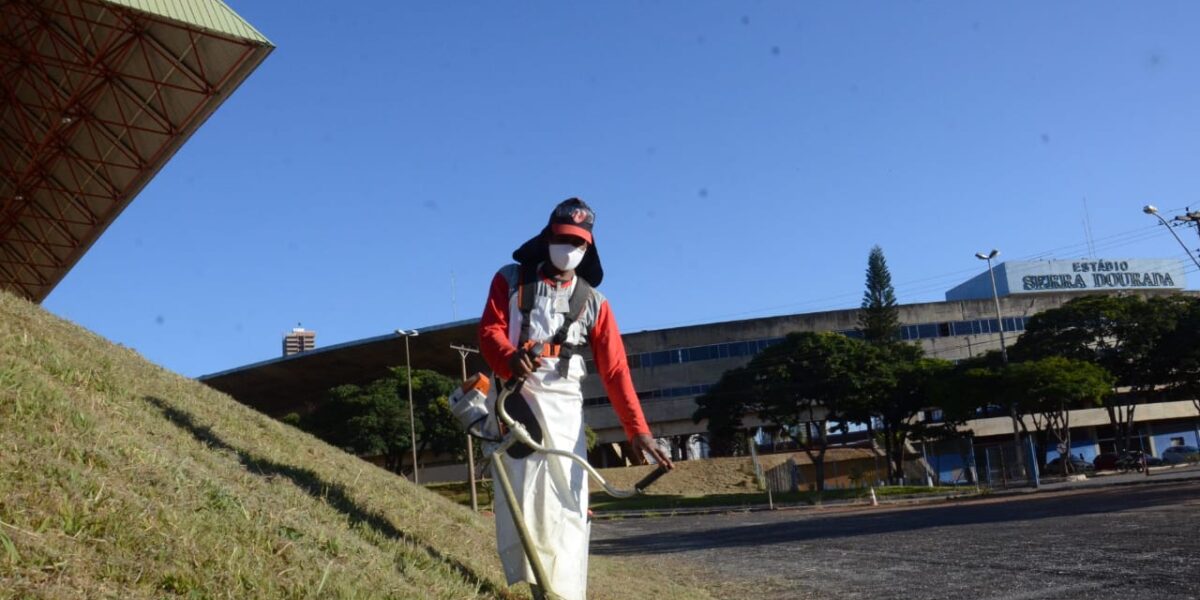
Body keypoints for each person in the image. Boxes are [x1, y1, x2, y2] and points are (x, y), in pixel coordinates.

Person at [478, 198, 672, 599]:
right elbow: (490, 332)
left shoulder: (595, 303)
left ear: (589, 249)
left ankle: (563, 593)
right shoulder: (510, 280)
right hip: (517, 403)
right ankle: (536, 588)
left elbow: (616, 371)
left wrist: (638, 432)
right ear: (548, 237)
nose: (570, 249)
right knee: (526, 499)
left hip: (566, 413)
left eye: (579, 243)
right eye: (564, 239)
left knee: (568, 504)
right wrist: (510, 358)